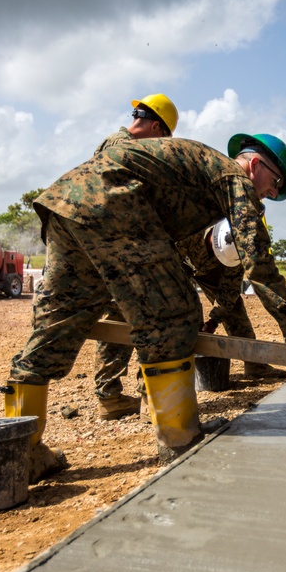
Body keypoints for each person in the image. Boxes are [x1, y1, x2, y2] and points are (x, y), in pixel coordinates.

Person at [3, 132, 286, 480]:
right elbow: (259, 262)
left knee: (59, 319)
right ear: (255, 163)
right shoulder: (235, 178)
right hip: (113, 205)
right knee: (176, 313)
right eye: (276, 183)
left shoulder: (200, 171)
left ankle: (20, 453)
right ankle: (181, 437)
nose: (272, 194)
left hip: (66, 203)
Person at [91, 94, 180, 421]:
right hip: (121, 250)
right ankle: (150, 397)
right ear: (156, 127)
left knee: (120, 318)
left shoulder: (111, 144)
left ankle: (111, 398)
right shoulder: (124, 148)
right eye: (164, 141)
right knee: (151, 315)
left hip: (108, 248)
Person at [179, 218, 286, 378]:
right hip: (177, 264)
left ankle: (255, 366)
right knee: (185, 310)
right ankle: (183, 372)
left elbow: (229, 291)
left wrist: (214, 320)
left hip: (210, 271)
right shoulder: (189, 229)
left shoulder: (235, 257)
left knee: (235, 311)